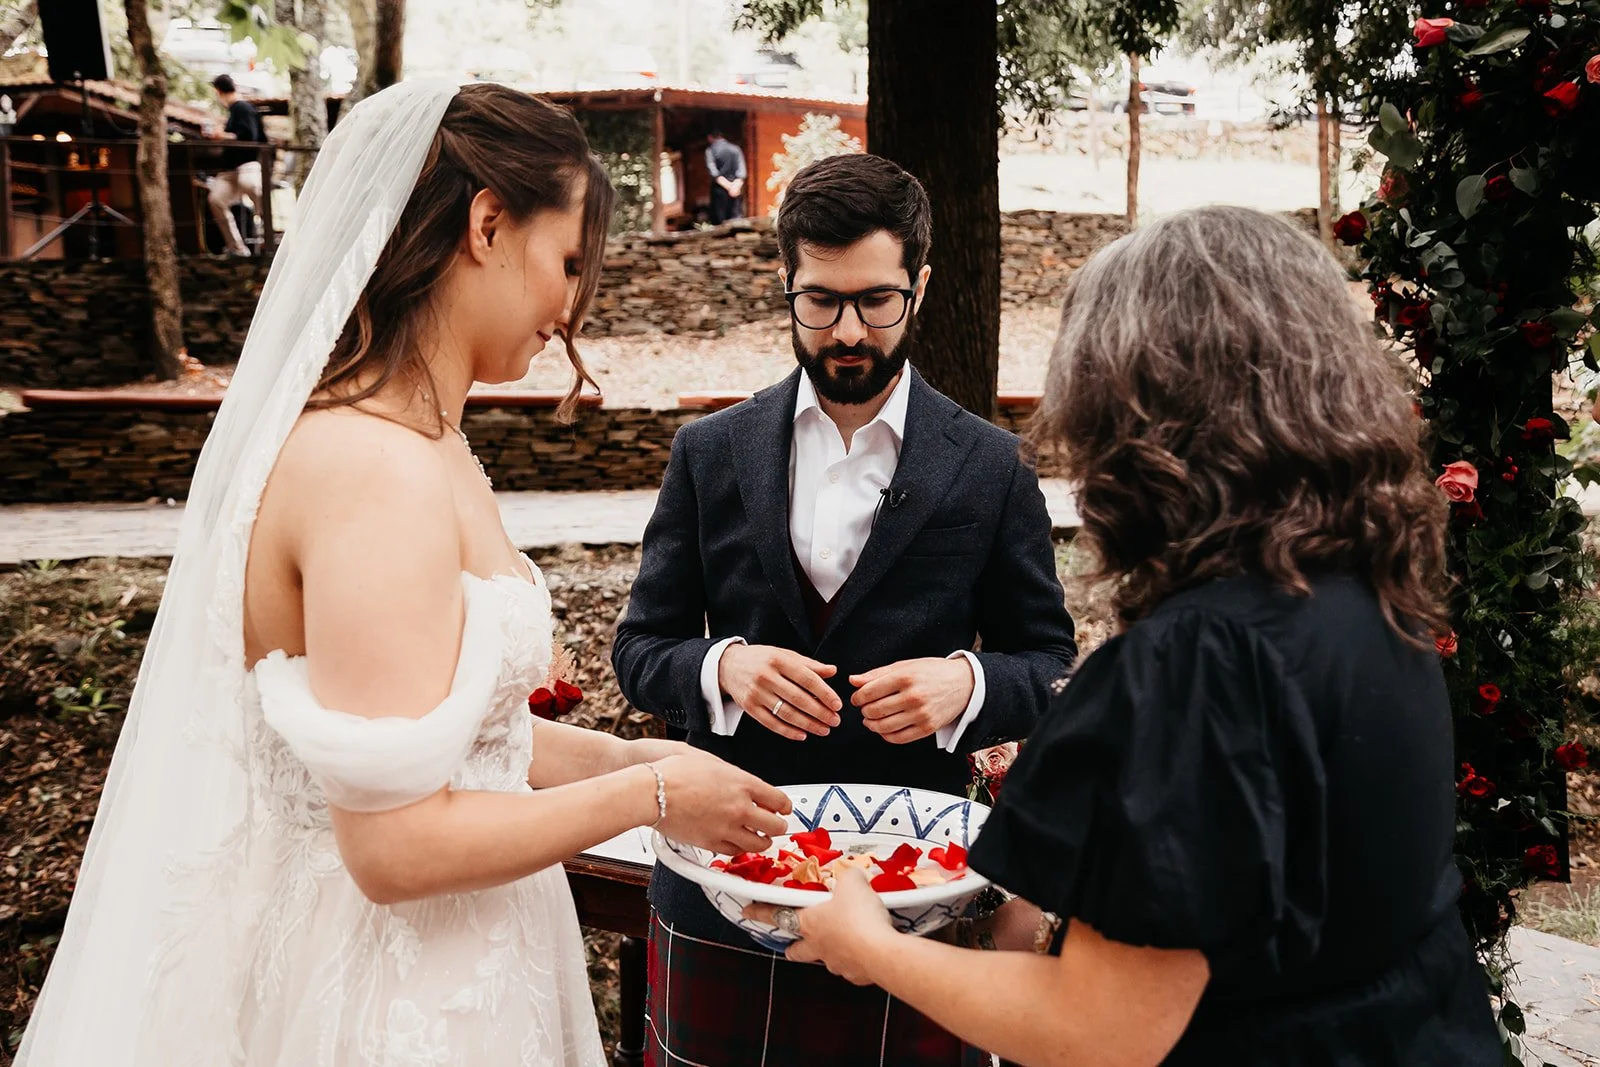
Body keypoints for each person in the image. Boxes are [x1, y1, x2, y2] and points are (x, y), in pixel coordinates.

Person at [17, 81, 791, 1066]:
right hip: (396, 997)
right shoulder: (369, 468)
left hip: (474, 956)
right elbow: (393, 847)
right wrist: (649, 798)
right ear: (486, 225)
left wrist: (628, 758)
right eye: (565, 261)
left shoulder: (434, 444)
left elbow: (455, 740)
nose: (569, 306)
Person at [759, 206, 1504, 1067]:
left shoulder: (1198, 662)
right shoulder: (1365, 584)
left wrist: (872, 945)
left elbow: (1102, 1029)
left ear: (1129, 409)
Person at [612, 152, 1077, 1067]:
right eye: (821, 301)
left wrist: (969, 684)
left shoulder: (992, 466)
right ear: (786, 284)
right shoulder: (708, 452)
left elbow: (1048, 664)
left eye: (877, 301)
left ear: (921, 287)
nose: (849, 331)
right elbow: (640, 649)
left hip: (917, 905)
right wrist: (720, 666)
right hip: (721, 893)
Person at [207, 74, 267, 256]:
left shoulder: (243, 108)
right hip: (230, 169)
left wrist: (222, 136)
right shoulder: (233, 111)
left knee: (249, 184)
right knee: (216, 199)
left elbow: (249, 137)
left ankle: (266, 226)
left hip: (247, 164)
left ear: (218, 91)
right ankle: (237, 248)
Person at [705, 128, 747, 224]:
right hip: (736, 189)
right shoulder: (736, 149)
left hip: (719, 190)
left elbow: (713, 173)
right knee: (736, 221)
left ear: (710, 137)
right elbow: (742, 172)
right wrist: (734, 187)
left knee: (719, 223)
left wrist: (728, 187)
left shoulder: (710, 150)